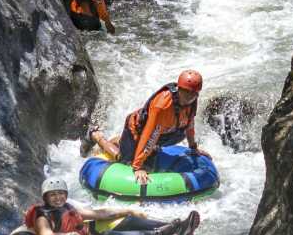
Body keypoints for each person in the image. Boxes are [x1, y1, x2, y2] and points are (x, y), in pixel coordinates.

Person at [80, 70, 211, 185]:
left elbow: (190, 125)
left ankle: (122, 141)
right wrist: (137, 167)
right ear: (179, 89)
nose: (189, 96)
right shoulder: (162, 106)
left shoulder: (192, 101)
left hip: (163, 131)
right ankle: (97, 136)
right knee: (125, 161)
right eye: (185, 91)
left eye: (193, 93)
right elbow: (149, 135)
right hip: (137, 129)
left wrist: (193, 147)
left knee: (180, 133)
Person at [26, 178, 201, 235]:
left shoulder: (69, 208)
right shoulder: (43, 215)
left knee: (129, 220)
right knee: (110, 234)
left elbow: (99, 214)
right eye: (53, 195)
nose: (58, 198)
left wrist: (127, 210)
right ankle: (158, 234)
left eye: (60, 194)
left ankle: (178, 227)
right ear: (46, 197)